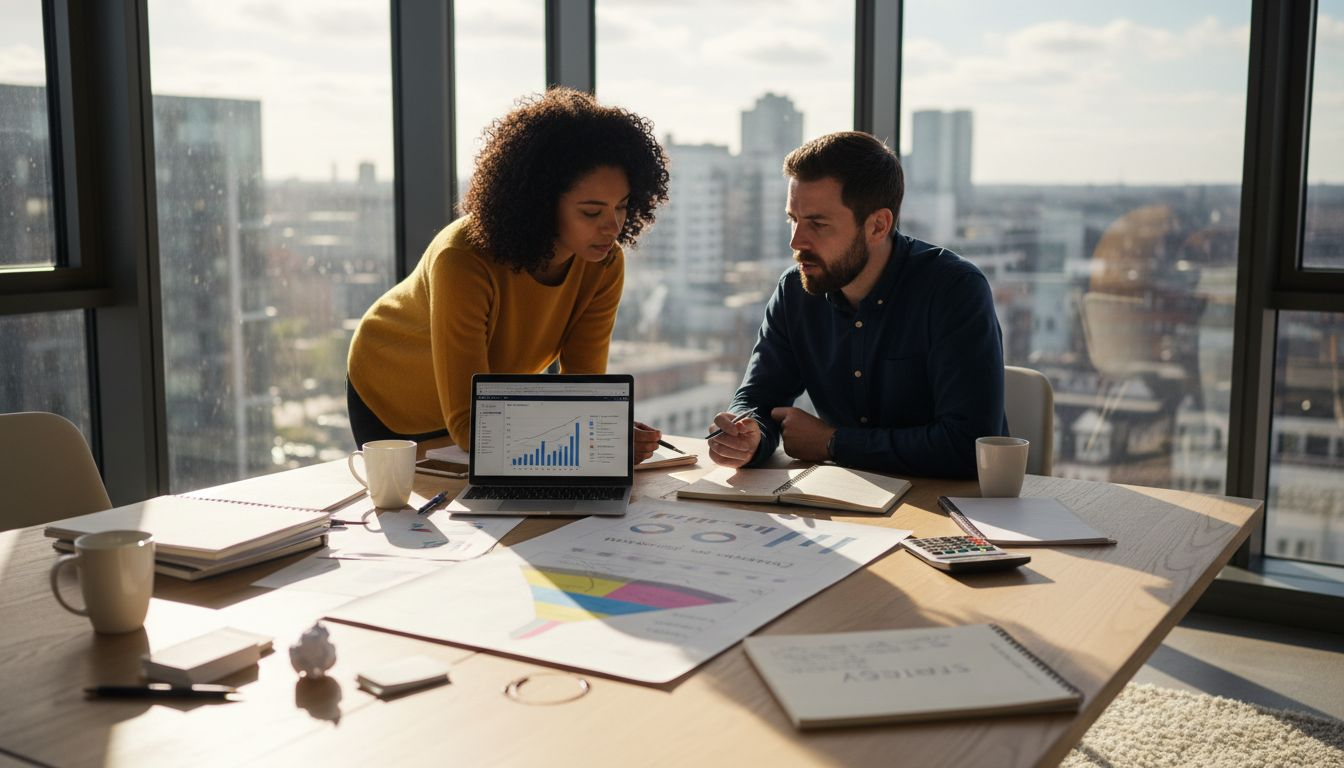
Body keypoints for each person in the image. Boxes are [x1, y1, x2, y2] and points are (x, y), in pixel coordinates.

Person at [346, 88, 670, 463]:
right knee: (432, 515)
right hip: (393, 397)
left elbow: (582, 390)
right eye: (591, 212)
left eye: (622, 206)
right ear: (541, 202)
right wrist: (593, 435)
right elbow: (471, 426)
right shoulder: (463, 260)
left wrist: (602, 428)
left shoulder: (604, 265)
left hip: (491, 416)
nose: (612, 226)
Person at [708, 131, 1007, 478]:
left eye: (818, 224)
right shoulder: (795, 291)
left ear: (878, 226)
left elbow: (969, 446)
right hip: (848, 508)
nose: (796, 241)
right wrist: (748, 436)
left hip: (948, 508)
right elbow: (759, 398)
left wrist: (834, 443)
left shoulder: (954, 290)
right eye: (793, 219)